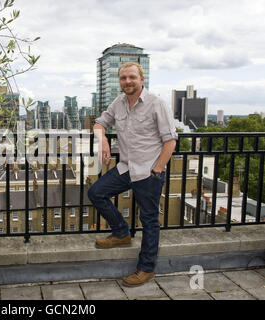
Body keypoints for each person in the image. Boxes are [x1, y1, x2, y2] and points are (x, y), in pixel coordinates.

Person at [88, 62, 177, 287]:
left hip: (149, 171)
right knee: (96, 192)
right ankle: (121, 232)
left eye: (131, 77)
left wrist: (157, 170)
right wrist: (103, 139)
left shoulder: (157, 104)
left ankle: (146, 269)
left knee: (148, 220)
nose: (127, 81)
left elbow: (170, 141)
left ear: (141, 79)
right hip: (126, 168)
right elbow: (99, 123)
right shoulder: (118, 103)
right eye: (123, 78)